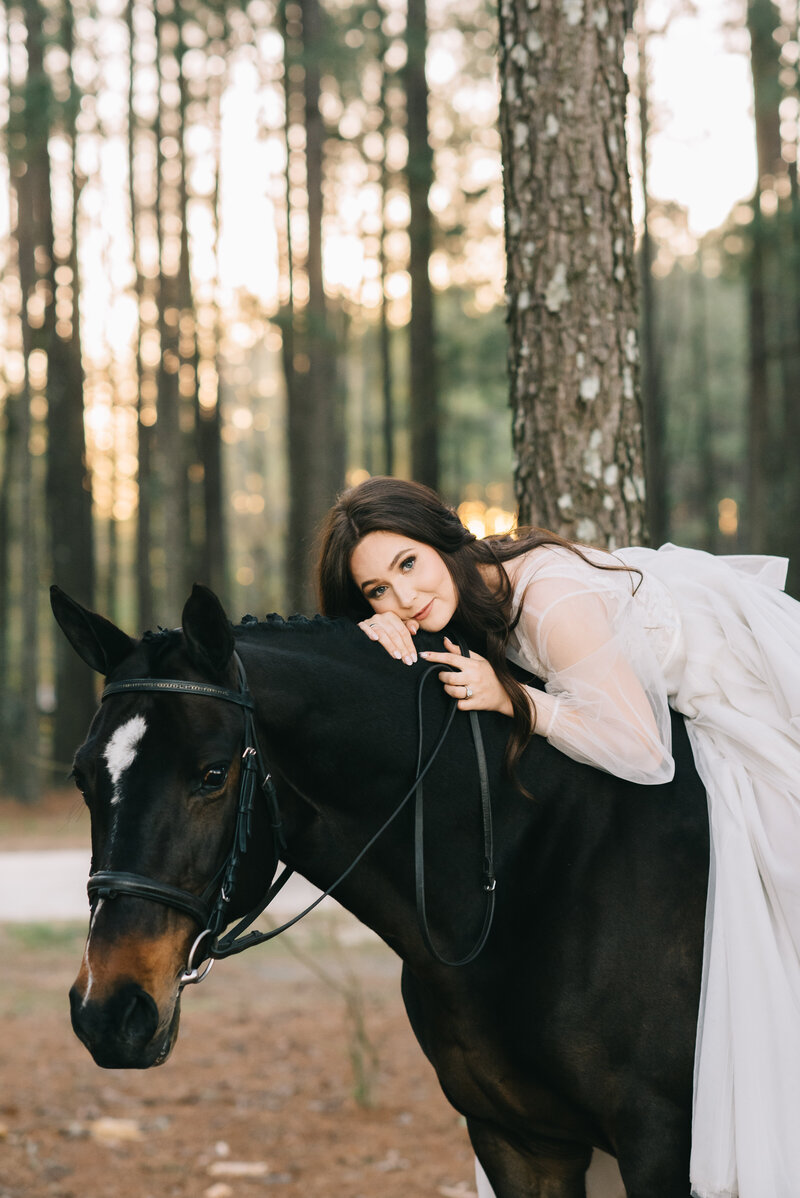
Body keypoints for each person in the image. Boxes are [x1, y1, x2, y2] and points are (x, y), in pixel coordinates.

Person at [317, 474, 800, 1198]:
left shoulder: (547, 597)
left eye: (407, 564)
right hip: (662, 721)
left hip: (737, 706)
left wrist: (515, 700)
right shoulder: (450, 609)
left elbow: (642, 749)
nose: (404, 598)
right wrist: (373, 640)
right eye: (377, 591)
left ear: (442, 540)